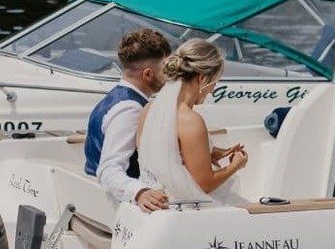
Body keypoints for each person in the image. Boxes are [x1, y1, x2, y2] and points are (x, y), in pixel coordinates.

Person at [134, 38, 251, 206]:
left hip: (154, 201)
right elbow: (204, 184)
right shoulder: (190, 120)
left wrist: (210, 152)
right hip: (185, 207)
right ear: (202, 78)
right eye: (215, 81)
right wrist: (236, 165)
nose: (214, 88)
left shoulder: (148, 109)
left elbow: (165, 152)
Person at [85, 28, 172, 212]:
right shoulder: (130, 109)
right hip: (117, 208)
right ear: (148, 74)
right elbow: (109, 169)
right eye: (166, 69)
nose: (170, 76)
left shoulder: (116, 98)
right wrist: (140, 192)